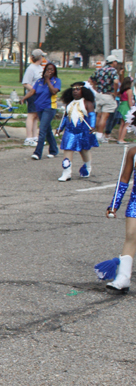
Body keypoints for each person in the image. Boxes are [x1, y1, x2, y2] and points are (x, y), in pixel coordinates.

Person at [97, 144, 136, 293]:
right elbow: (125, 179)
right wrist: (115, 204)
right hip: (135, 200)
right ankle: (123, 278)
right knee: (131, 235)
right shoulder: (133, 151)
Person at [55, 82, 97, 182]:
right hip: (70, 131)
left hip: (83, 131)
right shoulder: (69, 104)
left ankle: (87, 167)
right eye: (74, 89)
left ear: (84, 91)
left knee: (84, 150)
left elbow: (92, 115)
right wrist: (60, 128)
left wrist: (92, 126)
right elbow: (65, 118)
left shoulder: (87, 103)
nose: (75, 91)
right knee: (68, 149)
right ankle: (66, 172)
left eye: (78, 89)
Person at [21, 63, 61, 160]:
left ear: (54, 71)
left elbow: (54, 91)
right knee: (47, 130)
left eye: (52, 70)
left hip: (49, 107)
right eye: (48, 69)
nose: (49, 71)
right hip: (39, 108)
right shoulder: (39, 81)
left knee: (42, 130)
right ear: (44, 71)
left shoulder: (56, 81)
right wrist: (24, 98)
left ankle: (37, 152)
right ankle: (54, 150)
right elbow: (32, 91)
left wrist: (48, 81)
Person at [89, 55, 120, 143]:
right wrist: (115, 91)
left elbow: (90, 79)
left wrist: (95, 87)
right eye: (115, 62)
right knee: (104, 116)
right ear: (113, 62)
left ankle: (94, 133)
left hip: (99, 94)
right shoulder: (113, 70)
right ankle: (100, 135)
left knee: (98, 115)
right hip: (108, 94)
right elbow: (116, 81)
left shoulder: (99, 70)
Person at [21, 49, 45, 147]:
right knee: (31, 115)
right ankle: (28, 137)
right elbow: (26, 83)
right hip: (33, 95)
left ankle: (35, 136)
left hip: (39, 95)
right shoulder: (31, 68)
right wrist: (35, 90)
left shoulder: (40, 68)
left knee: (36, 116)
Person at [116, 77, 133, 144]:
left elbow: (119, 97)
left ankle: (119, 138)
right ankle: (122, 139)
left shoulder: (122, 90)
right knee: (127, 124)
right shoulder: (129, 90)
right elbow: (130, 101)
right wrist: (132, 109)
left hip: (122, 105)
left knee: (122, 124)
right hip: (126, 107)